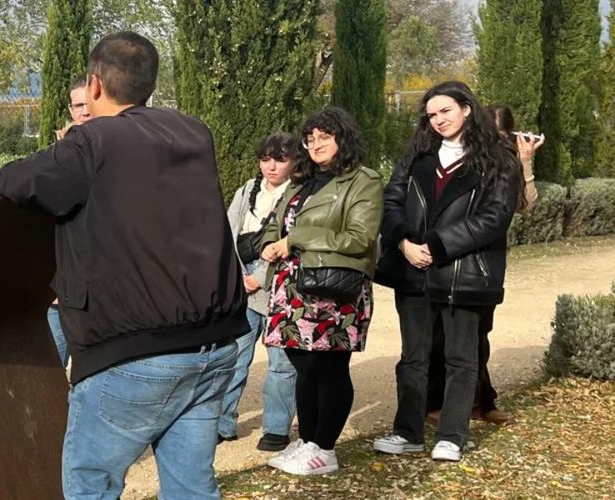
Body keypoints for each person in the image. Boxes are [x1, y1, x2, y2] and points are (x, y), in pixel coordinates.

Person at [0, 31, 248, 500]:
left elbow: (17, 183)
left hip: (134, 351)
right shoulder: (193, 133)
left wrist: (58, 152)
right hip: (213, 344)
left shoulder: (91, 141)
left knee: (88, 476)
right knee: (191, 490)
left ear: (97, 86)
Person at [373, 81, 521, 463]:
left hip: (463, 271)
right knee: (413, 358)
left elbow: (495, 217)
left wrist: (437, 245)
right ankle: (408, 431)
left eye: (446, 111)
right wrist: (403, 240)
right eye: (432, 114)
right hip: (413, 269)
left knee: (460, 357)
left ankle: (452, 435)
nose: (438, 120)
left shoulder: (499, 158)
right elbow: (391, 200)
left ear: (467, 108)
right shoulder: (417, 154)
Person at [259, 107, 384, 478]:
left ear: (342, 138)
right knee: (303, 366)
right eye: (310, 139)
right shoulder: (303, 181)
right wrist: (269, 243)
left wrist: (295, 240)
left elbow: (360, 238)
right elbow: (276, 223)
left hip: (334, 286)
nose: (315, 145)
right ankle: (308, 441)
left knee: (328, 367)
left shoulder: (363, 181)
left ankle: (325, 448)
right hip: (293, 287)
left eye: (323, 137)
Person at [425, 104, 541, 426]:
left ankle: (482, 401)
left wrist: (525, 161)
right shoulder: (458, 158)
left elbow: (525, 205)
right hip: (444, 255)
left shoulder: (504, 163)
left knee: (478, 334)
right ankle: (437, 402)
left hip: (485, 261)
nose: (498, 142)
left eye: (504, 137)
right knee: (440, 336)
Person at [219, 133, 300, 451]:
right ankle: (223, 422)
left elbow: (292, 242)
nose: (272, 166)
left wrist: (260, 278)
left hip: (279, 286)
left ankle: (277, 428)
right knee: (234, 357)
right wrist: (237, 275)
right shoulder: (247, 190)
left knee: (281, 362)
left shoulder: (297, 193)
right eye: (266, 159)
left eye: (280, 159)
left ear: (293, 162)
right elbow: (228, 230)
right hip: (242, 285)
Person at [48, 77, 92, 363]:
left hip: (99, 295)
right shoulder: (53, 158)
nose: (84, 112)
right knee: (51, 370)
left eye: (88, 104)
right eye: (78, 106)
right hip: (60, 292)